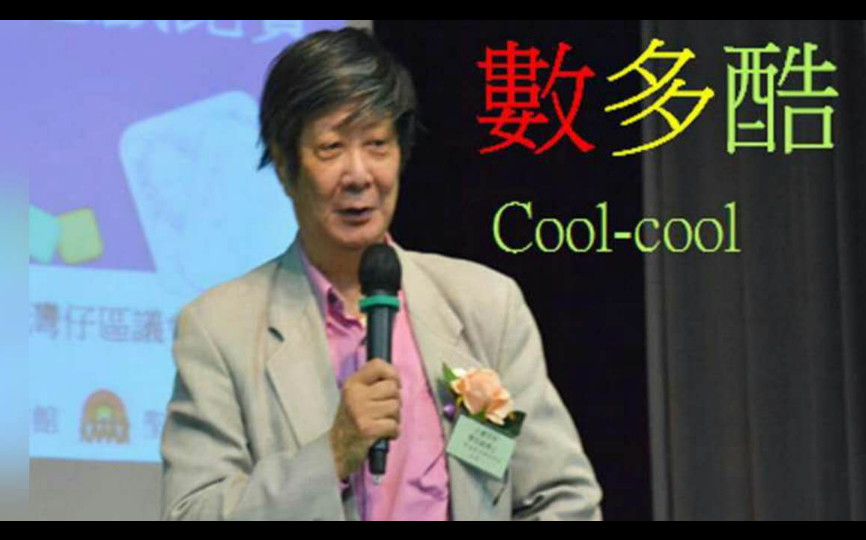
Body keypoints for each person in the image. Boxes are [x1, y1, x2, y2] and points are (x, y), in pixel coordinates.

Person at [161, 27, 602, 521]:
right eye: (331, 147)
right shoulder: (220, 331)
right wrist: (331, 454)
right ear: (284, 166)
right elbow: (192, 512)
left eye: (377, 144)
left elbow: (562, 499)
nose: (359, 175)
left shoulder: (485, 306)